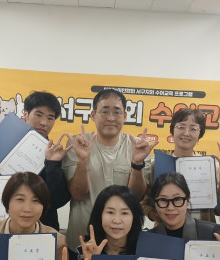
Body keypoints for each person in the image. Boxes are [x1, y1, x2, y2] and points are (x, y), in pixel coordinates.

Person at [62, 88, 157, 248]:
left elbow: (136, 197)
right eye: (104, 112)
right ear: (93, 115)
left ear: (125, 116)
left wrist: (137, 164)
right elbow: (78, 194)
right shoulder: (78, 144)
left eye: (117, 112)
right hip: (82, 240)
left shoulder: (136, 146)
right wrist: (83, 160)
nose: (111, 118)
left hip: (122, 242)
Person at [0, 91, 72, 230]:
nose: (44, 123)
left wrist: (52, 164)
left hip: (42, 228)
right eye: (38, 115)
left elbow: (57, 200)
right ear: (25, 114)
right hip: (3, 226)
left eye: (50, 118)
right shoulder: (4, 146)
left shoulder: (56, 154)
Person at [142, 108, 220, 224]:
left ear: (200, 133)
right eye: (181, 127)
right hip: (167, 232)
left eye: (193, 128)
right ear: (173, 130)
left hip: (203, 231)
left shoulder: (209, 167)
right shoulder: (157, 165)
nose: (186, 133)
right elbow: (145, 203)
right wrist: (157, 215)